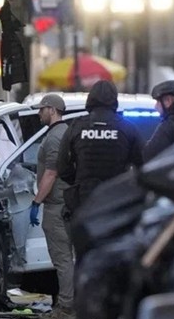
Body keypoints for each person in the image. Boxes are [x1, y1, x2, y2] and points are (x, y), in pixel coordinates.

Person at [57, 80, 144, 224]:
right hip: (116, 201)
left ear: (90, 98)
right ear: (114, 100)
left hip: (84, 201)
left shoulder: (76, 126)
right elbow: (143, 165)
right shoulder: (127, 128)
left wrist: (80, 182)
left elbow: (62, 167)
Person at [28, 94, 75, 319]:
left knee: (62, 258)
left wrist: (37, 201)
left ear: (53, 110)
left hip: (57, 204)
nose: (39, 113)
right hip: (66, 202)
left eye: (41, 109)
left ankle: (66, 307)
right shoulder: (65, 133)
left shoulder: (55, 137)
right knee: (69, 257)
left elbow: (51, 172)